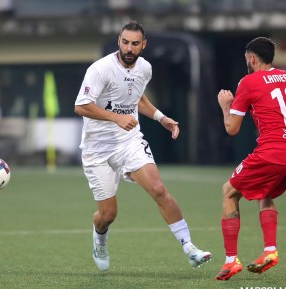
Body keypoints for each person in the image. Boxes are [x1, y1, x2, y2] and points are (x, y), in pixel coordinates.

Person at [74, 20, 212, 271]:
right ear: (119, 41)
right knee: (108, 215)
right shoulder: (100, 69)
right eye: (125, 42)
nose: (129, 47)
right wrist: (117, 118)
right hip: (98, 150)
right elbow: (81, 106)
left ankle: (190, 248)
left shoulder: (145, 69)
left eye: (135, 43)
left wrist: (161, 118)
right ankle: (99, 237)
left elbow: (137, 98)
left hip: (129, 141)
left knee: (158, 189)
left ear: (143, 45)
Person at [215, 37, 286, 281]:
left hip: (271, 152)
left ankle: (231, 260)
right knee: (263, 191)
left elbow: (232, 129)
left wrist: (226, 105)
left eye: (247, 60)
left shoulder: (248, 81)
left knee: (228, 192)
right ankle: (269, 250)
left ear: (252, 59)